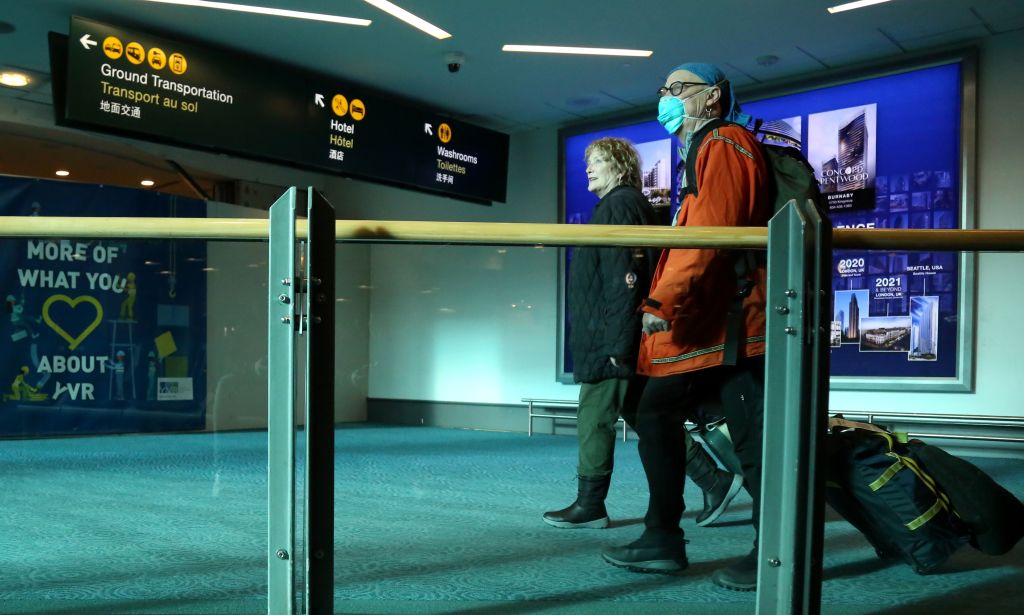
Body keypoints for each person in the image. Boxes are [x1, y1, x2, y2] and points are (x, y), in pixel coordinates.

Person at [600, 62, 770, 592]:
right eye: (664, 90)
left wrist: (662, 299)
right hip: (715, 324)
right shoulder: (703, 151)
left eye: (679, 89)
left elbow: (709, 232)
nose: (667, 98)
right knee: (655, 410)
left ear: (713, 98)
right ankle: (660, 536)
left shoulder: (724, 142)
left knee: (753, 440)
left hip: (738, 323)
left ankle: (770, 552)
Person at [543, 137, 743, 531]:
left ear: (619, 167)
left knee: (594, 417)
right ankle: (714, 481)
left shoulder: (620, 205)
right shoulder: (619, 205)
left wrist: (618, 344)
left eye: (598, 161)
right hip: (612, 336)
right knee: (645, 417)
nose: (589, 168)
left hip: (609, 341)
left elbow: (625, 281)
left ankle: (591, 505)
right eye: (589, 161)